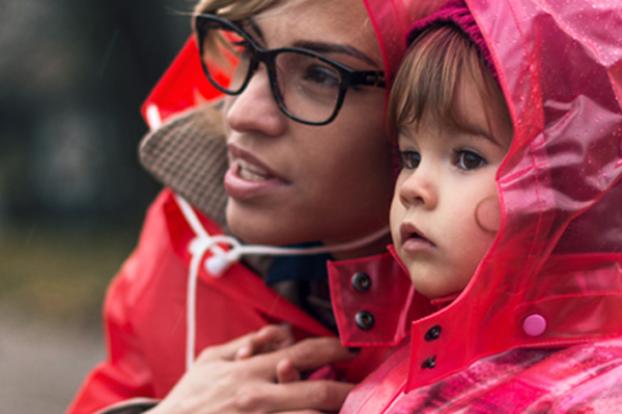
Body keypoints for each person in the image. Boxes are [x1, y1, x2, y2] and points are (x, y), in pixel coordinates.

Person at [67, 0, 445, 413]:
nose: (242, 112)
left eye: (319, 73)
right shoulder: (189, 244)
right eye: (247, 47)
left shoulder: (509, 332)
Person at [323, 0, 622, 412]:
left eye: (467, 158)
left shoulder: (596, 395)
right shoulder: (420, 354)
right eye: (410, 157)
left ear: (571, 188)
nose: (414, 188)